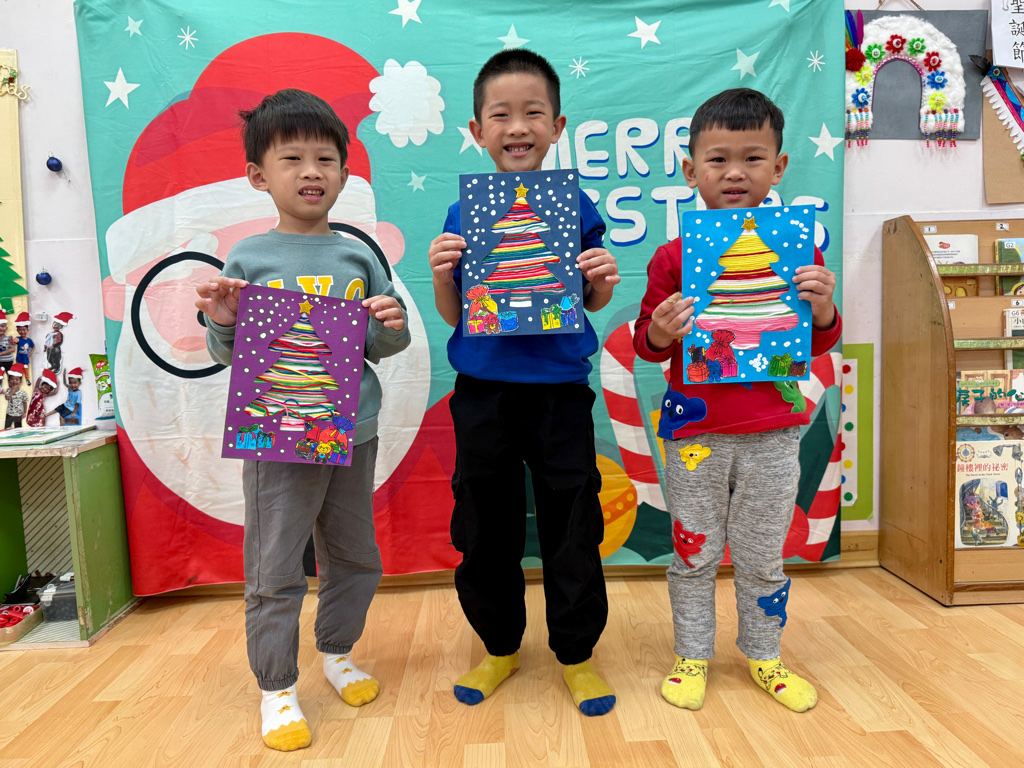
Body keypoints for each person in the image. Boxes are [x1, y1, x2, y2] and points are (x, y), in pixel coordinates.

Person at [195, 88, 411, 752]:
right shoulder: (248, 259)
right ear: (259, 176)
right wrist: (222, 320)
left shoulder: (358, 255)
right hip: (278, 438)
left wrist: (391, 323)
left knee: (355, 555)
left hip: (354, 430)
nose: (311, 171)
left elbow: (385, 342)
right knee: (275, 564)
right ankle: (277, 687)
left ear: (344, 174)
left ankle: (338, 652)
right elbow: (227, 352)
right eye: (291, 158)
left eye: (325, 159)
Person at [632, 88, 842, 714]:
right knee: (693, 552)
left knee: (762, 556)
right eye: (717, 159)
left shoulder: (799, 249)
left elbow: (818, 339)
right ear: (691, 169)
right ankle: (692, 654)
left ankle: (765, 655)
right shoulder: (673, 256)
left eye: (753, 158)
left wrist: (823, 306)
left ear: (779, 167)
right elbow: (647, 344)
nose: (734, 172)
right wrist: (662, 331)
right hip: (695, 434)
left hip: (774, 433)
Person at [427, 49, 621, 717]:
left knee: (574, 521)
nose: (517, 127)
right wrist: (440, 275)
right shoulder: (463, 214)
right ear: (477, 131)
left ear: (557, 125)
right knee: (485, 523)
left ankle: (577, 653)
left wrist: (600, 281)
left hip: (561, 390)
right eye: (501, 115)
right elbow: (455, 314)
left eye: (533, 113)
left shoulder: (576, 206)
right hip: (483, 391)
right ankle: (499, 646)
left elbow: (588, 303)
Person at [2, 363, 29, 429]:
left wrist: (24, 412)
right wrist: (13, 390)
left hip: (18, 415)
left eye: (17, 379)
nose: (14, 381)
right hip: (9, 414)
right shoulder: (8, 390)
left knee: (18, 429)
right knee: (7, 428)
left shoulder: (22, 393)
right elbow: (7, 397)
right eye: (12, 379)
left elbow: (25, 403)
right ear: (9, 381)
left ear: (20, 381)